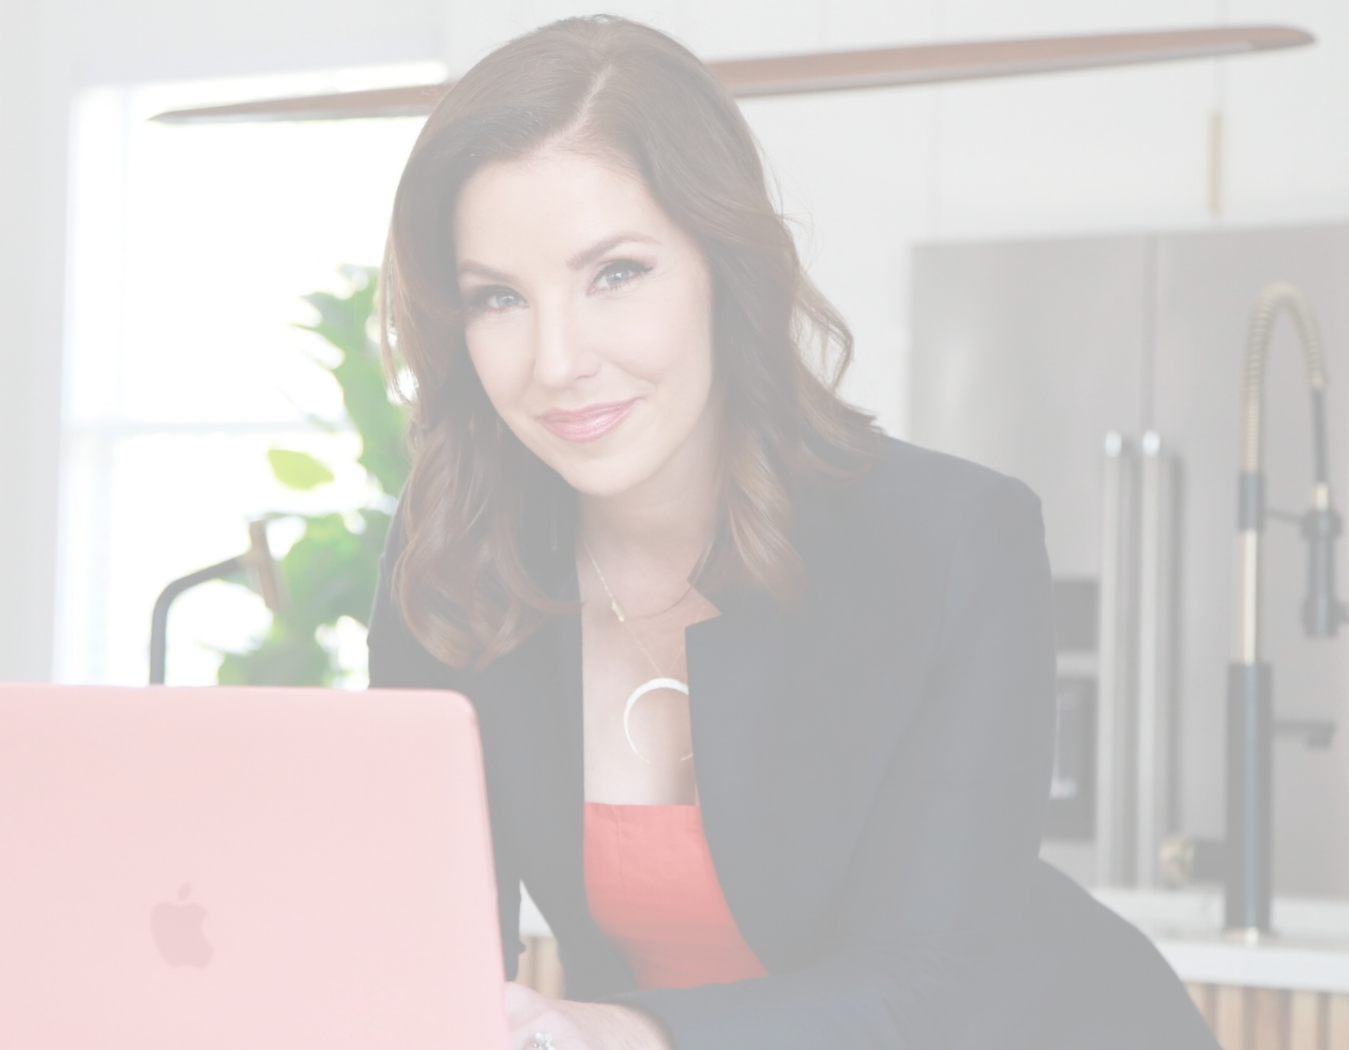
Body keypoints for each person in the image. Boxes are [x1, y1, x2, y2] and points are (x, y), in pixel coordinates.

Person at [367, 15, 1218, 1050]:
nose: (557, 360)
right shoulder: (456, 560)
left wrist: (622, 1033)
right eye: (498, 297)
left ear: (724, 264)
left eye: (616, 274)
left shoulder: (954, 544)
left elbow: (922, 987)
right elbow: (432, 957)